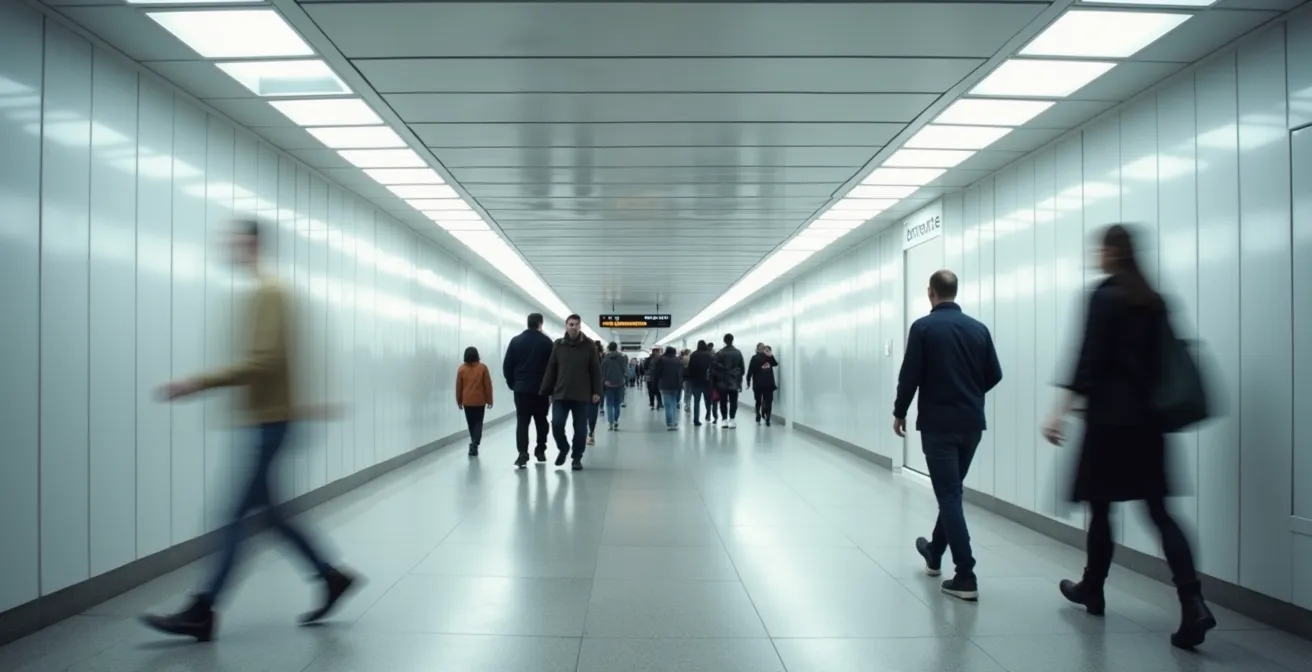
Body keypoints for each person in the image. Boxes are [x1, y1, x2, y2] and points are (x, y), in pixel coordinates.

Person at [143, 219, 356, 642]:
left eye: (236, 241)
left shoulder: (271, 292)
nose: (229, 248)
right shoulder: (263, 292)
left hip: (270, 423)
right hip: (268, 420)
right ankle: (331, 576)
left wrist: (197, 382)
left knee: (232, 516)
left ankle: (203, 608)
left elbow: (265, 361)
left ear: (254, 244)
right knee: (270, 514)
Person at [1041, 224, 1215, 649]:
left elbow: (1088, 360)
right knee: (1160, 512)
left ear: (1114, 253)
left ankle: (1093, 587)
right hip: (1149, 425)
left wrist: (1059, 413)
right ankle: (1193, 602)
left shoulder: (1104, 296)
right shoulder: (1154, 300)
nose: (1095, 254)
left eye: (1100, 248)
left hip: (1107, 423)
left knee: (1101, 511)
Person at [893, 269, 1001, 603]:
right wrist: (968, 393)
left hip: (938, 425)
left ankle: (966, 574)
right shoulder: (978, 329)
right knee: (951, 491)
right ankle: (934, 550)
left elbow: (909, 375)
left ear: (931, 293)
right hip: (971, 424)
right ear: (955, 291)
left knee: (949, 496)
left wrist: (900, 411)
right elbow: (994, 374)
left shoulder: (923, 328)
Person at [540, 314, 602, 471]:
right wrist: (546, 390)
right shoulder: (558, 345)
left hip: (582, 394)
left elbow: (595, 370)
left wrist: (596, 391)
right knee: (557, 423)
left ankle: (576, 457)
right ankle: (563, 447)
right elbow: (551, 368)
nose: (573, 327)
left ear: (580, 326)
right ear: (566, 326)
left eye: (576, 324)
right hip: (560, 393)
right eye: (570, 324)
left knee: (580, 428)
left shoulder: (589, 346)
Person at [503, 312, 554, 468]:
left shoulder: (516, 341)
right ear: (540, 324)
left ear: (527, 323)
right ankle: (540, 449)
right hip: (541, 390)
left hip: (521, 389)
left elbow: (507, 366)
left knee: (522, 422)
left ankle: (522, 453)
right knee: (541, 420)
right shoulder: (547, 342)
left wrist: (513, 384)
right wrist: (550, 388)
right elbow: (552, 368)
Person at [456, 346, 494, 457]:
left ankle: (473, 443)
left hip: (467, 401)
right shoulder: (482, 368)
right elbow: (488, 385)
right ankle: (475, 443)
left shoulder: (461, 369)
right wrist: (489, 400)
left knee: (471, 423)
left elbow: (459, 386)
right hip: (479, 401)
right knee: (478, 422)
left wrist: (459, 400)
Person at [712, 334, 746, 428]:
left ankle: (724, 420)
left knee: (723, 401)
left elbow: (714, 368)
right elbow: (742, 369)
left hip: (722, 382)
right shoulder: (738, 353)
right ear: (732, 340)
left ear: (724, 341)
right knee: (733, 401)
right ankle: (732, 419)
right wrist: (738, 376)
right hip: (734, 381)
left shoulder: (720, 353)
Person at [651, 346, 686, 430]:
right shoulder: (678, 360)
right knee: (674, 404)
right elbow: (682, 373)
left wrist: (654, 384)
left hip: (665, 385)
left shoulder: (662, 360)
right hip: (676, 385)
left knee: (668, 405)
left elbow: (657, 373)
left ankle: (670, 423)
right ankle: (674, 422)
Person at [748, 345, 780, 426]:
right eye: (762, 349)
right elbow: (751, 370)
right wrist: (770, 356)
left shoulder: (758, 357)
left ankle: (763, 416)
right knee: (766, 401)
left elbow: (775, 364)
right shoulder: (762, 357)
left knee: (761, 401)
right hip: (766, 384)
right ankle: (764, 416)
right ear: (759, 349)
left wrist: (748, 381)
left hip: (760, 384)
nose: (763, 350)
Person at [686, 341, 715, 427]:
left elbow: (690, 368)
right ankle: (708, 414)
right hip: (707, 382)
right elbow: (713, 368)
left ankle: (696, 420)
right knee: (708, 400)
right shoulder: (710, 355)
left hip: (696, 382)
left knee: (696, 401)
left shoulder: (694, 355)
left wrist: (690, 379)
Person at [601, 342, 628, 430]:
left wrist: (604, 381)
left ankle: (610, 423)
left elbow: (602, 371)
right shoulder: (621, 358)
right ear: (616, 348)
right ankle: (616, 421)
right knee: (617, 403)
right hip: (619, 383)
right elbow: (624, 370)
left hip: (608, 384)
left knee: (609, 404)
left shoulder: (605, 358)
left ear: (609, 348)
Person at [586, 341, 605, 445]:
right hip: (595, 388)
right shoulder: (601, 357)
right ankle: (590, 433)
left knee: (585, 412)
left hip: (587, 388)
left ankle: (589, 433)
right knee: (592, 411)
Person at [680, 348, 693, 413]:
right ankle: (688, 404)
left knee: (686, 391)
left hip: (685, 377)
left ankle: (686, 403)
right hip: (691, 376)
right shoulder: (690, 358)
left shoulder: (683, 358)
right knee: (689, 391)